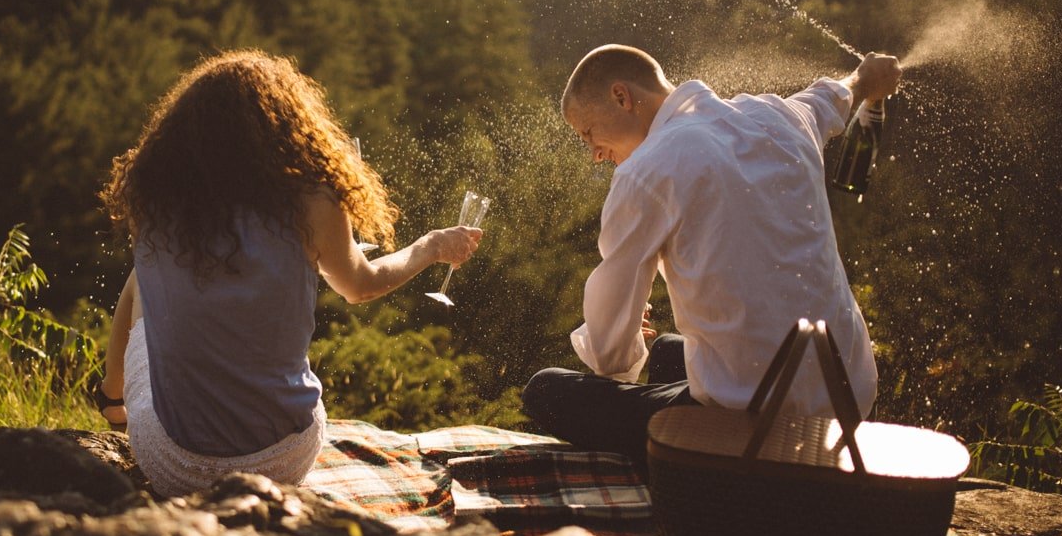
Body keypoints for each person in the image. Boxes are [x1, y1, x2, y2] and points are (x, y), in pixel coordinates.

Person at [94, 50, 482, 497]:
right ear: (287, 124)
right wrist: (430, 246)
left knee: (144, 275)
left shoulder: (155, 194)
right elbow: (360, 286)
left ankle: (112, 399)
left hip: (173, 466)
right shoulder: (312, 199)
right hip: (282, 459)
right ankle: (117, 400)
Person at [521, 44, 902, 469]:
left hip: (752, 427)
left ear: (621, 97)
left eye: (589, 133)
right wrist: (868, 79)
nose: (594, 153)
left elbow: (611, 355)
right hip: (849, 401)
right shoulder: (781, 115)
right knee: (666, 351)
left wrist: (620, 345)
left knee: (546, 392)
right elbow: (837, 94)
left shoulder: (646, 171)